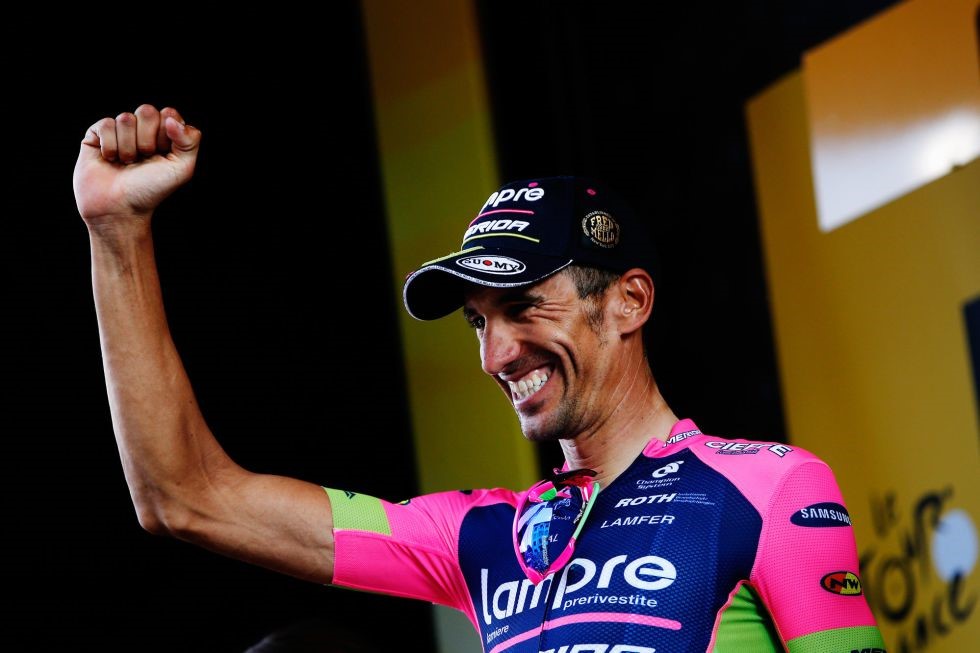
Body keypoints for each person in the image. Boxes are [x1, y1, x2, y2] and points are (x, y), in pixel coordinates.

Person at [73, 104, 887, 653]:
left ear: (629, 301)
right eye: (477, 322)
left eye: (524, 307)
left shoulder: (773, 489)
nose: (495, 356)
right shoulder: (477, 536)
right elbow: (185, 496)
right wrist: (116, 233)